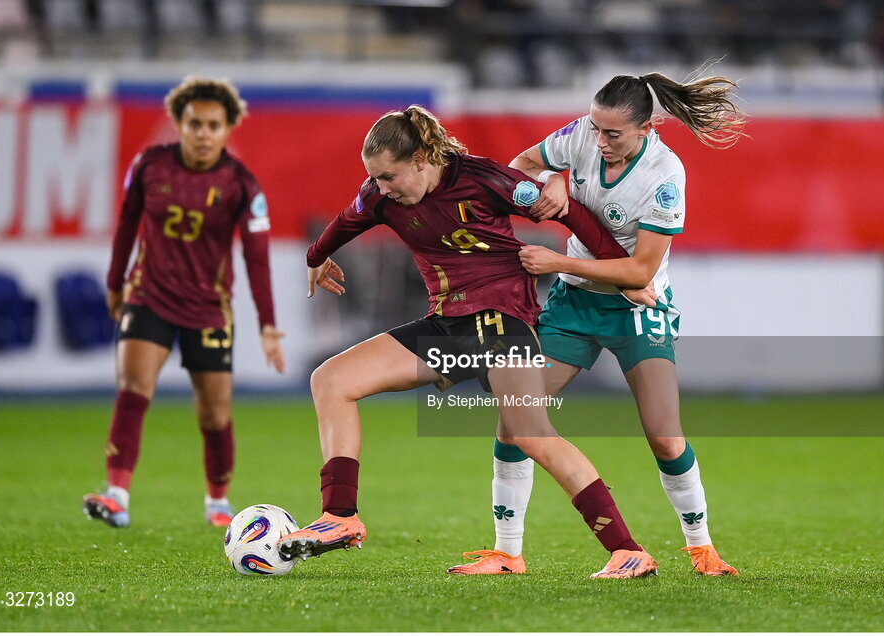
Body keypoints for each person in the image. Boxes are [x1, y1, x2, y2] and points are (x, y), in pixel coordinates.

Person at [279, 105, 659, 579]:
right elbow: (345, 220)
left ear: (420, 159)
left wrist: (622, 272)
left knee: (530, 434)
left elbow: (571, 212)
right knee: (332, 380)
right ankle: (338, 517)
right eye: (374, 179)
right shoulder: (381, 198)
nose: (381, 188)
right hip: (448, 327)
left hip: (503, 323)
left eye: (389, 176)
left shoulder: (483, 180)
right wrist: (317, 256)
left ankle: (626, 550)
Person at [448, 72, 745, 576]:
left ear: (648, 128)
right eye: (595, 128)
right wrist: (552, 178)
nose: (599, 141)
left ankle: (702, 549)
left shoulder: (665, 176)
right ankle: (506, 553)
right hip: (573, 308)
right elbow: (519, 165)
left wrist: (558, 262)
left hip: (636, 311)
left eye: (614, 134)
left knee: (664, 438)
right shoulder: (581, 136)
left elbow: (639, 272)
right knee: (516, 418)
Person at [82, 76, 285, 529]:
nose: (203, 133)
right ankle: (117, 495)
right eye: (194, 123)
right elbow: (126, 226)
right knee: (133, 389)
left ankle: (218, 502)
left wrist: (268, 325)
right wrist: (115, 284)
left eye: (213, 124)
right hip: (148, 295)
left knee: (215, 412)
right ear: (178, 123)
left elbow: (257, 259)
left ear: (229, 127)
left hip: (208, 309)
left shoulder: (241, 185)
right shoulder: (149, 166)